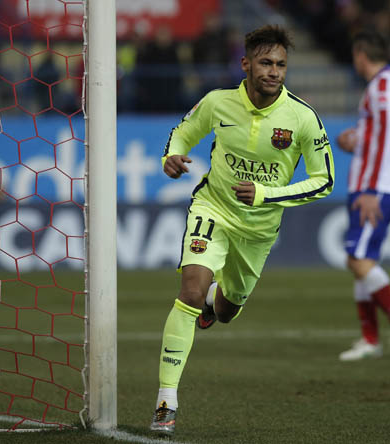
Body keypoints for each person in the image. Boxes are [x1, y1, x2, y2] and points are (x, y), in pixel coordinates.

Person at [150, 25, 335, 436]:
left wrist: (267, 195)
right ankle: (166, 400)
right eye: (266, 63)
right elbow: (184, 132)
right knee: (190, 293)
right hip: (212, 208)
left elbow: (324, 180)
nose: (274, 72)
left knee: (226, 309)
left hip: (259, 230)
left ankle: (218, 302)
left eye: (281, 64)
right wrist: (173, 155)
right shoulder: (218, 103)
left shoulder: (302, 118)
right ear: (246, 64)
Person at [335, 30, 390, 362]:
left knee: (357, 259)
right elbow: (380, 136)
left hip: (377, 187)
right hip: (376, 182)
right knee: (363, 260)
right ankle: (370, 339)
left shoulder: (384, 87)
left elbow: (387, 140)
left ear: (361, 54)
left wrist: (372, 189)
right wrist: (354, 140)